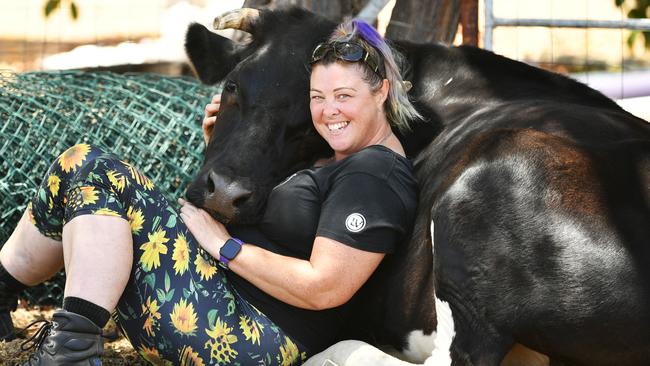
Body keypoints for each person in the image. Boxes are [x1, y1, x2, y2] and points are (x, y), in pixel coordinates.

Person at [0, 18, 421, 366]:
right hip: (215, 302)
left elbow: (325, 287)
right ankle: (32, 312)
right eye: (318, 97)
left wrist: (223, 246)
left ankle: (70, 351)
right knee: (78, 167)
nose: (329, 110)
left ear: (381, 91)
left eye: (343, 96)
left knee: (93, 168)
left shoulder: (375, 176)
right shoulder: (342, 156)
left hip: (247, 336)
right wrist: (217, 143)